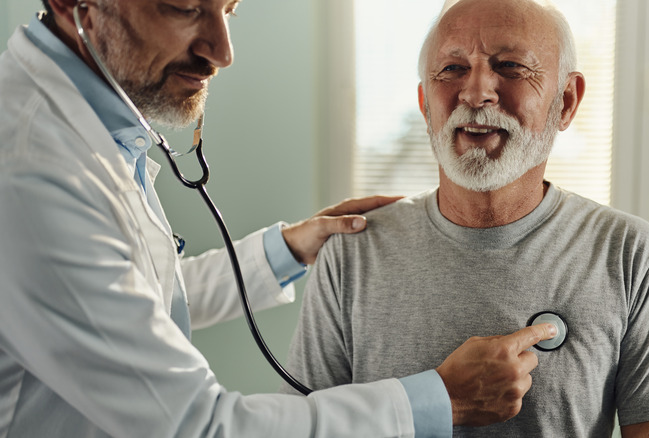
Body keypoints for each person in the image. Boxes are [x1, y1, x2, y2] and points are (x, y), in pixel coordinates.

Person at [0, 0, 561, 436]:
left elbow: (117, 299)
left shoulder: (91, 134)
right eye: (185, 8)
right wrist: (440, 399)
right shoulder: (31, 168)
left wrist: (290, 248)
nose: (222, 51)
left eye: (229, 11)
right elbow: (197, 427)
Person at [281, 0, 649, 436]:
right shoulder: (350, 253)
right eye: (451, 69)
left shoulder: (629, 253)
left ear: (566, 101)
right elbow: (306, 428)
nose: (475, 94)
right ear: (424, 103)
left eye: (510, 66)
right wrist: (439, 399)